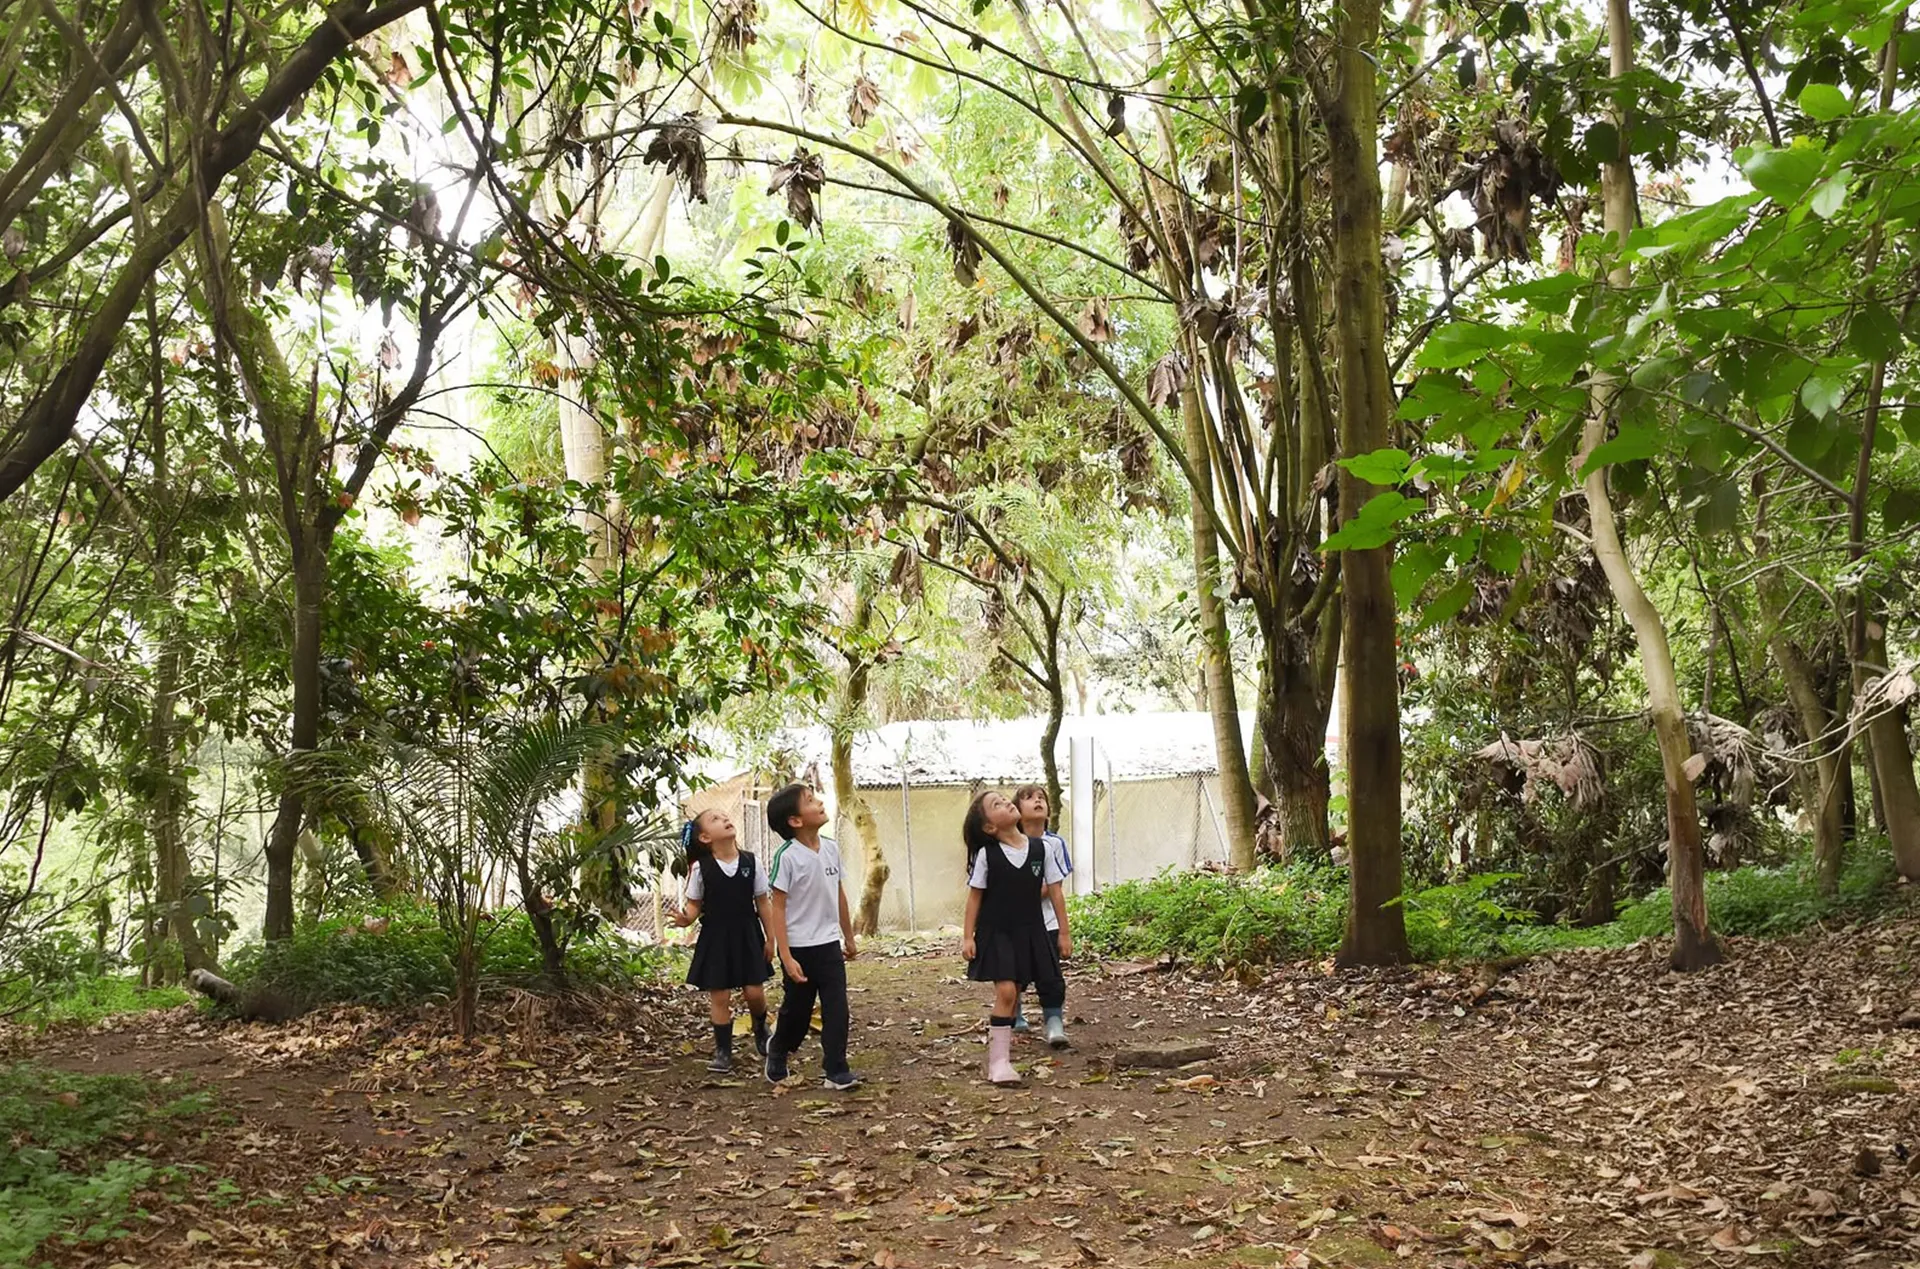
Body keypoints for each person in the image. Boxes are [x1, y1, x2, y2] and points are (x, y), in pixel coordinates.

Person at [961, 789, 1069, 1086]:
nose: (1006, 802)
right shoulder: (987, 855)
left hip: (1031, 931)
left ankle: (1006, 1053)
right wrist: (968, 937)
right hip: (997, 933)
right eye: (996, 804)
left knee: (1019, 988)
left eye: (1004, 799)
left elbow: (1056, 892)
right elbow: (974, 898)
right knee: (1007, 993)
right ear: (989, 827)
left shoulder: (1041, 849)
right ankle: (999, 1063)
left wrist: (1064, 932)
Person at [762, 783, 861, 1091]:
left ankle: (836, 1069)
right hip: (799, 949)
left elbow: (839, 894)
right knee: (798, 1013)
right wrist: (786, 956)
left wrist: (849, 936)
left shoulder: (830, 847)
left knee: (837, 1007)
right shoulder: (788, 856)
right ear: (795, 820)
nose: (819, 802)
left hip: (828, 944)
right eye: (810, 800)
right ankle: (778, 1049)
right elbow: (777, 907)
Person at [672, 809, 774, 1074]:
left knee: (754, 991)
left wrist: (771, 938)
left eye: (726, 816)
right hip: (716, 937)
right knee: (720, 995)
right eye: (715, 819)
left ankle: (760, 1026)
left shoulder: (752, 862)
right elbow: (694, 906)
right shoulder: (700, 869)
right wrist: (685, 919)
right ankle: (723, 1051)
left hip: (747, 934)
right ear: (705, 837)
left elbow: (763, 902)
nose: (726, 820)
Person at [1010, 785, 1072, 1048]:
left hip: (1047, 923)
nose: (1037, 800)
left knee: (1051, 974)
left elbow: (1055, 887)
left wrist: (1065, 932)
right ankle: (1015, 1013)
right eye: (1028, 798)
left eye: (1041, 798)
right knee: (1013, 973)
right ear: (1016, 811)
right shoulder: (1006, 844)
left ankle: (1054, 1022)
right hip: (1013, 924)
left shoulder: (1054, 843)